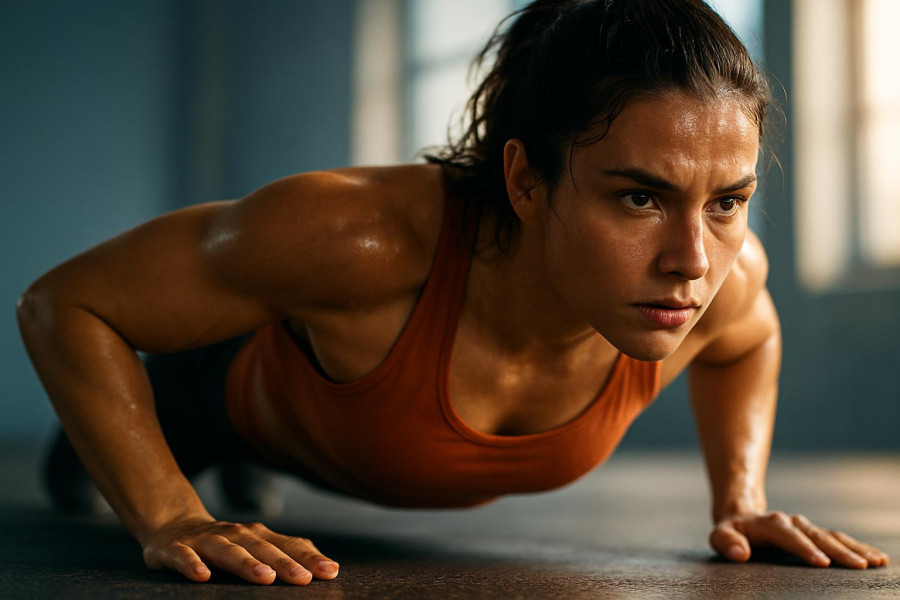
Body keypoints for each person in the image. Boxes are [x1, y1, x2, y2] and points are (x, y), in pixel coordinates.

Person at [16, 0, 889, 587]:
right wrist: (168, 515)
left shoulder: (723, 281)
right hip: (204, 393)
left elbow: (751, 340)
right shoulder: (358, 239)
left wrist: (740, 500)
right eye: (638, 196)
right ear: (526, 180)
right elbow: (64, 305)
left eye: (728, 201)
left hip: (324, 430)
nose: (693, 260)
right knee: (72, 490)